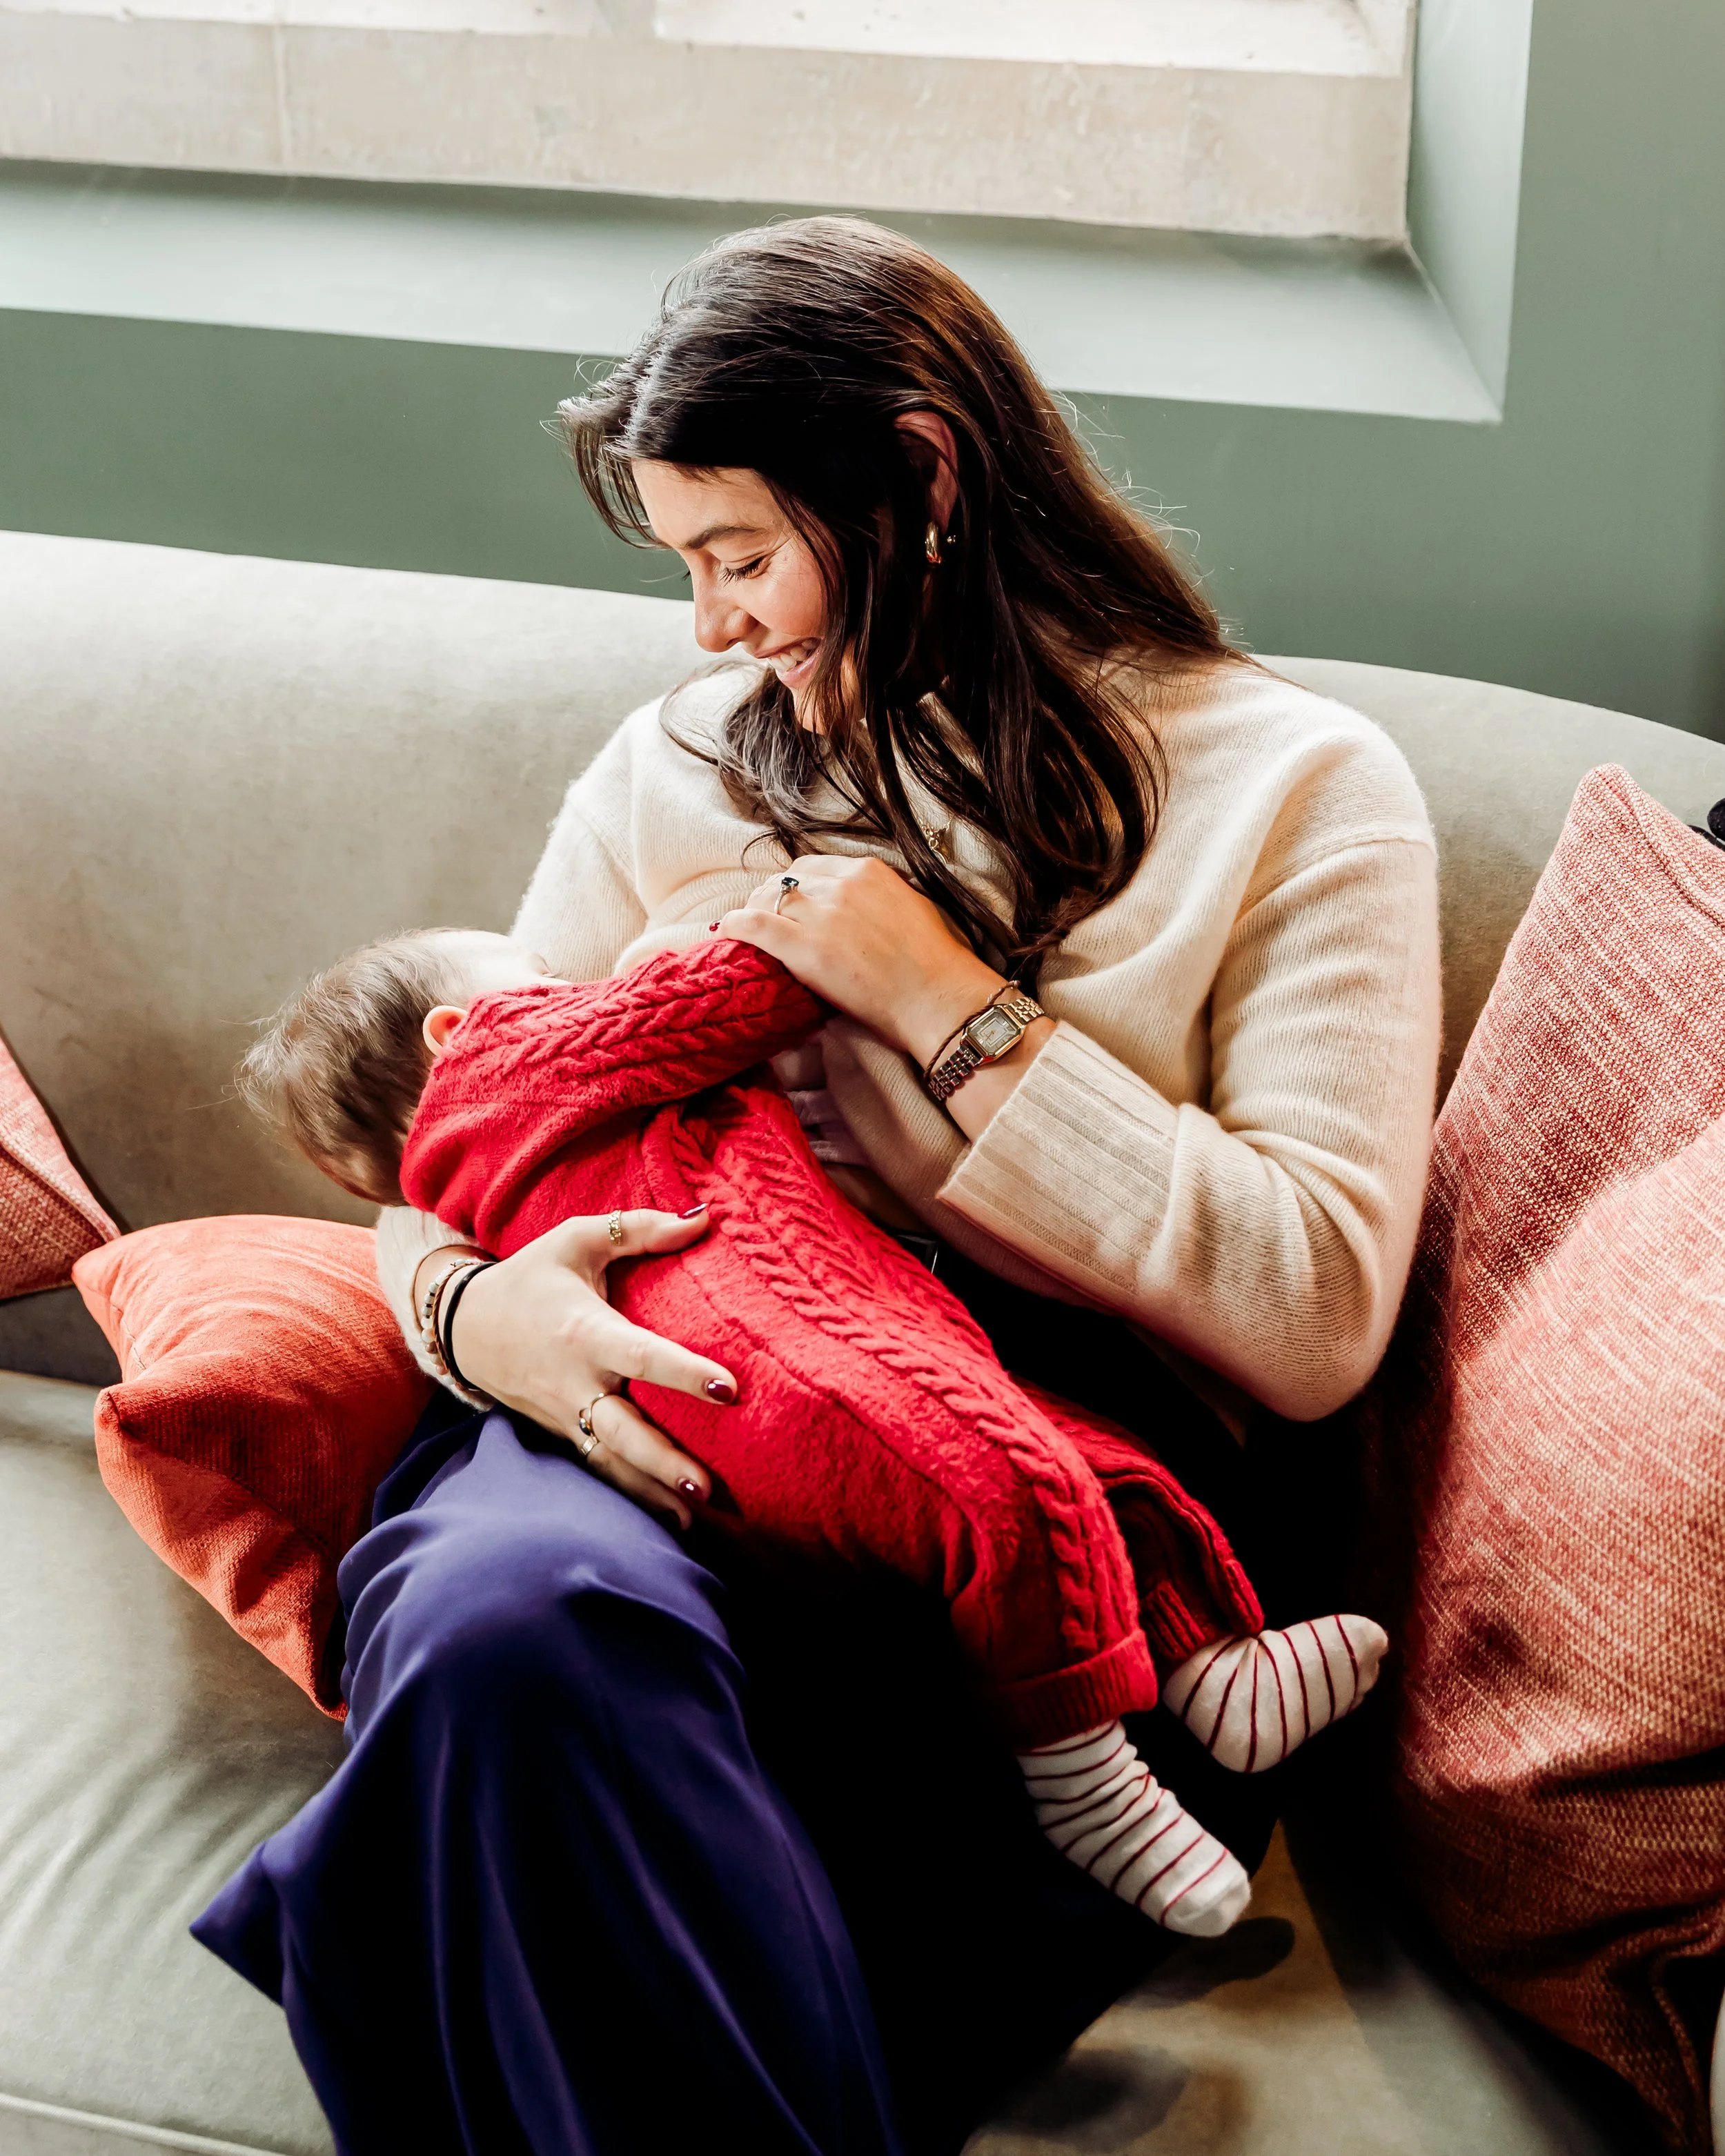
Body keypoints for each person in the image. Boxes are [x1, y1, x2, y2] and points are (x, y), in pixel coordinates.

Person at [193, 215, 1441, 2156]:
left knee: (617, 1775)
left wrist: (939, 1001)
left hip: (1034, 1490)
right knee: (502, 1620)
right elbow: (483, 1120)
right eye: (685, 566)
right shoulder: (677, 758)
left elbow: (1312, 1313)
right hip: (659, 1376)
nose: (710, 630)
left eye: (739, 555)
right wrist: (479, 1316)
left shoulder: (1297, 789)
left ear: (922, 479)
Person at [236, 919, 1392, 1939]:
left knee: (1097, 1465)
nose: (574, 985)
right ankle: (1087, 1781)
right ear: (460, 1031)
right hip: (780, 1350)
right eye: (540, 974)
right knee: (1010, 1488)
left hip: (801, 1344)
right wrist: (808, 931)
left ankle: (1212, 1668)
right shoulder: (519, 1053)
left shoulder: (469, 1154)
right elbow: (746, 991)